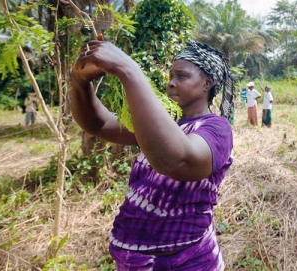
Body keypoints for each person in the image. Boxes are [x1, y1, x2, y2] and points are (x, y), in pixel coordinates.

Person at [71, 40, 234, 270]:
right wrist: (79, 80)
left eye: (181, 76)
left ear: (207, 83)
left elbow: (179, 160)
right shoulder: (163, 123)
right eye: (171, 76)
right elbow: (98, 123)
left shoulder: (217, 128)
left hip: (186, 261)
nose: (171, 84)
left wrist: (129, 70)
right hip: (134, 260)